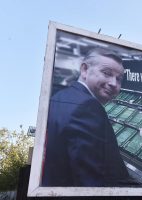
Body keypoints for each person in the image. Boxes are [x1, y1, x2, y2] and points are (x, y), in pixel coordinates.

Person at [42, 48, 130, 187]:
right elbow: (96, 183)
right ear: (84, 70)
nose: (114, 83)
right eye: (107, 73)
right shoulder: (88, 107)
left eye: (119, 79)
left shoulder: (60, 97)